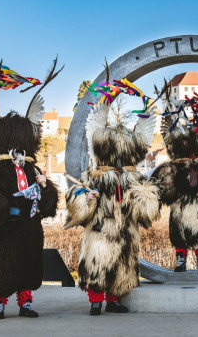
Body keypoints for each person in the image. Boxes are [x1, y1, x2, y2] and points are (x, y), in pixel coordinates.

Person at [0, 61, 61, 319]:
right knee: (1, 266)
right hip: (3, 227)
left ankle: (25, 303)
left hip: (27, 225)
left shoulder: (31, 167)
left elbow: (47, 198)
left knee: (27, 265)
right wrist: (1, 209)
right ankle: (0, 303)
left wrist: (46, 193)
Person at [65, 102, 160, 315]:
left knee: (122, 264)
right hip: (101, 229)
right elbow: (75, 195)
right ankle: (96, 300)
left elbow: (149, 206)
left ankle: (114, 299)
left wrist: (141, 196)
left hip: (126, 230)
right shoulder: (93, 175)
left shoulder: (133, 177)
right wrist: (87, 197)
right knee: (97, 263)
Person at [152, 85, 198, 272]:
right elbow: (166, 191)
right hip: (180, 198)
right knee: (179, 228)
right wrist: (169, 178)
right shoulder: (176, 161)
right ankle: (181, 259)